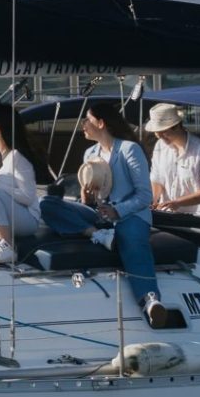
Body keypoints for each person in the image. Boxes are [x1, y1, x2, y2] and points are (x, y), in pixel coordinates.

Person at [37, 100, 165, 331]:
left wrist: (118, 210)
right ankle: (95, 234)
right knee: (47, 204)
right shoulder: (90, 153)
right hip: (99, 217)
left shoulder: (129, 149)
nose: (83, 125)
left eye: (87, 120)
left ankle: (150, 300)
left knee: (133, 242)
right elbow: (91, 200)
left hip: (129, 215)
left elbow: (145, 196)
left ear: (101, 123)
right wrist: (86, 197)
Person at [0, 98, 44, 265]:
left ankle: (7, 245)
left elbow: (28, 198)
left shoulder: (16, 158)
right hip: (5, 217)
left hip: (28, 220)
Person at [146, 102, 200, 222]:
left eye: (163, 131)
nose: (159, 136)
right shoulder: (159, 146)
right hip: (166, 217)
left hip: (199, 221)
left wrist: (177, 203)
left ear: (177, 126)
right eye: (156, 132)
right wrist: (153, 200)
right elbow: (157, 178)